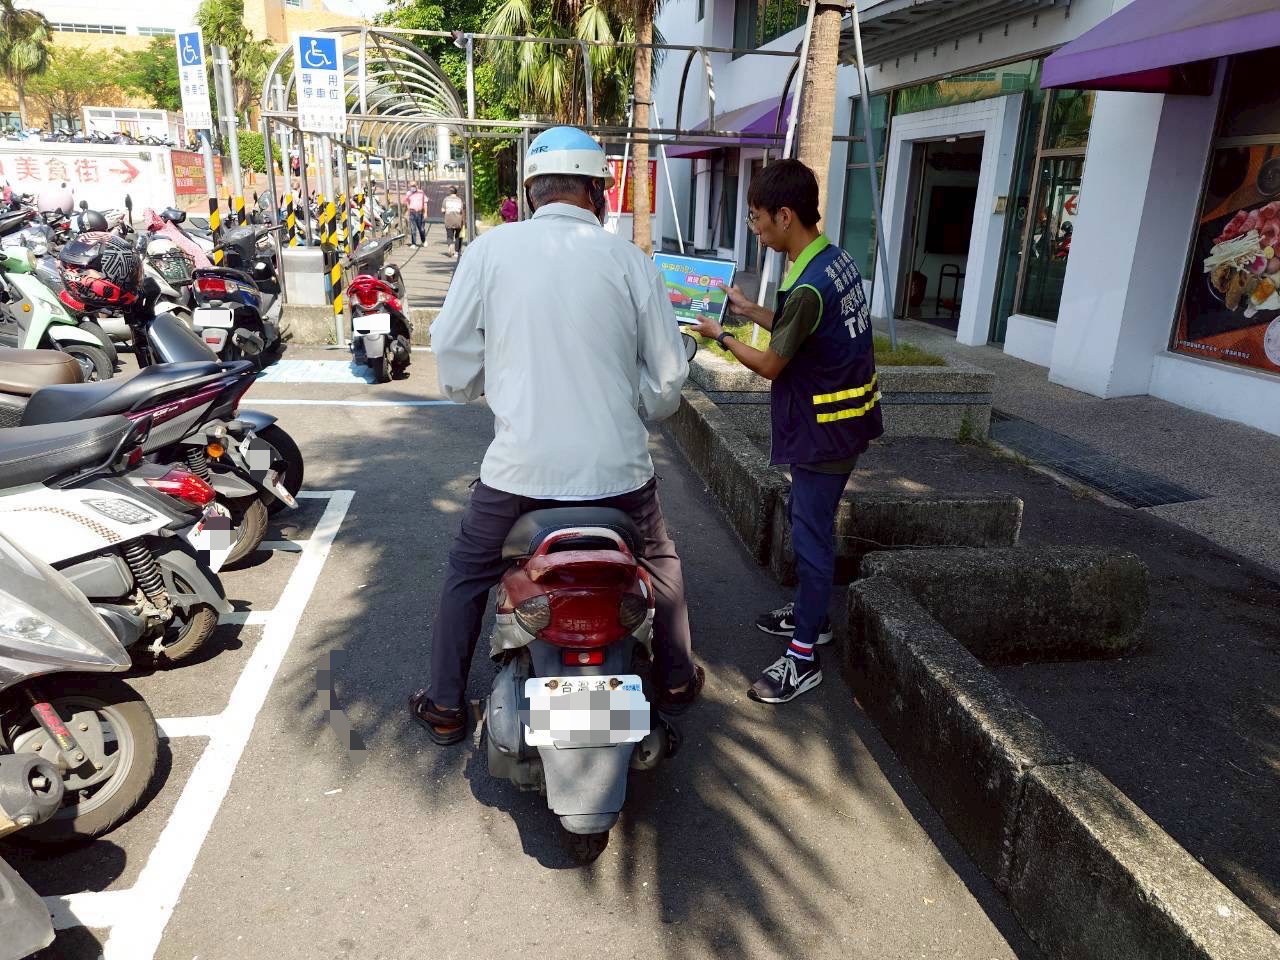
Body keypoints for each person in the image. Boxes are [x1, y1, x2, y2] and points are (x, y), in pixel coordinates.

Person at [411, 125, 702, 745]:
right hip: (619, 473)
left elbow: (452, 353)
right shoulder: (631, 261)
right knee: (661, 563)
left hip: (517, 475)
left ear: (531, 190)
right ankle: (675, 682)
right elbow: (669, 374)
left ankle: (444, 706)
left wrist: (478, 387)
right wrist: (641, 404)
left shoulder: (490, 251)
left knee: (467, 574)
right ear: (597, 192)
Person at [691, 159, 882, 704]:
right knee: (809, 526)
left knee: (812, 539)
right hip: (844, 422)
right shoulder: (830, 258)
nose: (753, 227)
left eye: (756, 218)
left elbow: (774, 365)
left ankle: (805, 656)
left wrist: (721, 335)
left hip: (825, 431)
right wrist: (753, 309)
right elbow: (806, 329)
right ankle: (811, 616)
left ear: (785, 214)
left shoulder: (809, 282)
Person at [442, 186, 464, 257]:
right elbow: (461, 210)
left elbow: (443, 210)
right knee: (458, 236)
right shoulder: (459, 200)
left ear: (449, 192)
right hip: (458, 220)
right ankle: (457, 252)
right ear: (456, 192)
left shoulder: (446, 199)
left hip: (449, 220)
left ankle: (451, 245)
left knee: (449, 235)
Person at [405, 181, 427, 246]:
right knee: (413, 229)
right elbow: (407, 203)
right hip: (412, 212)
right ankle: (413, 243)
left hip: (420, 213)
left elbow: (425, 203)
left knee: (421, 229)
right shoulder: (408, 193)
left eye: (413, 185)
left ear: (417, 186)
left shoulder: (421, 192)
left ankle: (423, 240)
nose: (412, 187)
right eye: (411, 186)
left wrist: (426, 213)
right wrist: (408, 211)